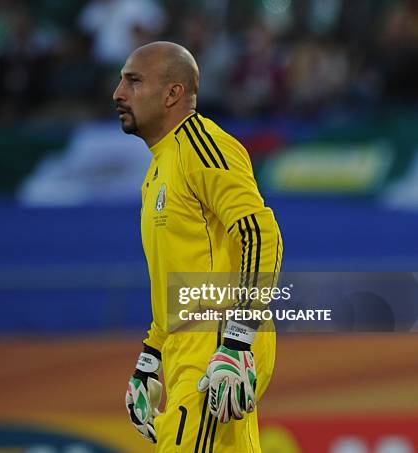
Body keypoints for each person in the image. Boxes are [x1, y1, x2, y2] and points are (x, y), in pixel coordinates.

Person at [114, 41, 282, 452]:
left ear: (173, 93)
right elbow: (175, 274)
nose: (118, 93)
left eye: (134, 81)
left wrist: (238, 340)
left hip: (217, 341)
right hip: (189, 347)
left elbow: (261, 235)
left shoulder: (203, 146)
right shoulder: (158, 167)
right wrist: (151, 357)